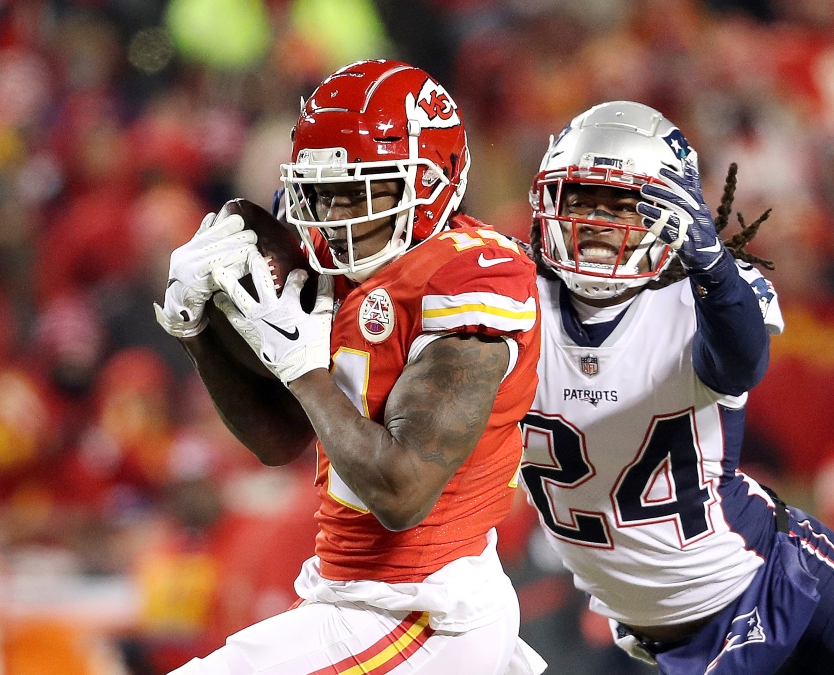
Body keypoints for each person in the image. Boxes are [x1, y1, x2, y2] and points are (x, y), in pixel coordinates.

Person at [520, 100, 834, 675]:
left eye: (619, 203)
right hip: (684, 642)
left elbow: (741, 362)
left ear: (671, 213)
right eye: (579, 199)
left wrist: (712, 268)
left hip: (781, 573)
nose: (596, 220)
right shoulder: (507, 308)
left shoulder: (699, 298)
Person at [154, 60, 546, 675]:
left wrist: (304, 371)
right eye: (321, 192)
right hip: (360, 601)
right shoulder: (349, 275)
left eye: (361, 190)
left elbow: (403, 492)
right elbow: (281, 438)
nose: (336, 214)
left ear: (432, 181)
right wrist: (195, 330)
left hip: (423, 611)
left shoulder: (466, 280)